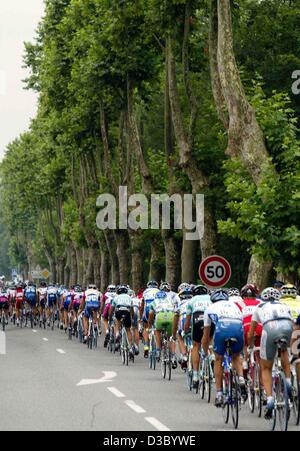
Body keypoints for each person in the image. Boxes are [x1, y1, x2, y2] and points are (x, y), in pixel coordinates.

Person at [248, 287, 294, 420]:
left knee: (266, 367)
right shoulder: (284, 305)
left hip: (270, 328)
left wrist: (251, 345)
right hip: (287, 326)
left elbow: (251, 332)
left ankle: (269, 399)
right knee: (284, 350)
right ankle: (288, 381)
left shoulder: (259, 307)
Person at [202, 289, 247, 407]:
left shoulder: (209, 309)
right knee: (236, 356)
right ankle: (241, 379)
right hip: (237, 328)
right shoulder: (235, 306)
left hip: (222, 328)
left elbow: (206, 336)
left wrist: (205, 351)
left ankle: (219, 393)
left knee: (218, 359)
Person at [185, 285, 212, 390]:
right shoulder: (211, 298)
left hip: (197, 318)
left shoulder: (192, 300)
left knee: (196, 345)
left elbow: (187, 320)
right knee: (210, 341)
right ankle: (212, 357)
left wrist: (186, 329)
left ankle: (195, 375)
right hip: (210, 319)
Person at [148, 290, 177, 368]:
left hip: (160, 317)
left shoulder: (154, 302)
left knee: (157, 331)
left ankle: (158, 350)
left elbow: (150, 315)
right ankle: (173, 356)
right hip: (171, 316)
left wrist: (149, 325)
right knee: (171, 338)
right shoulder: (170, 300)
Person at [109, 285, 134, 358]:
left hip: (119, 310)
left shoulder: (116, 297)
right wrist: (132, 316)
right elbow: (132, 309)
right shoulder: (129, 297)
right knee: (128, 330)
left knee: (117, 321)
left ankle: (117, 334)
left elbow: (112, 308)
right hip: (127, 311)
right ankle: (130, 348)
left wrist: (110, 317)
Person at [140, 281, 159, 358]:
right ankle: (157, 347)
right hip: (156, 309)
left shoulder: (145, 292)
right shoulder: (159, 291)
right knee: (157, 328)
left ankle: (146, 345)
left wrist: (141, 317)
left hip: (147, 309)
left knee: (146, 327)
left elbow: (142, 305)